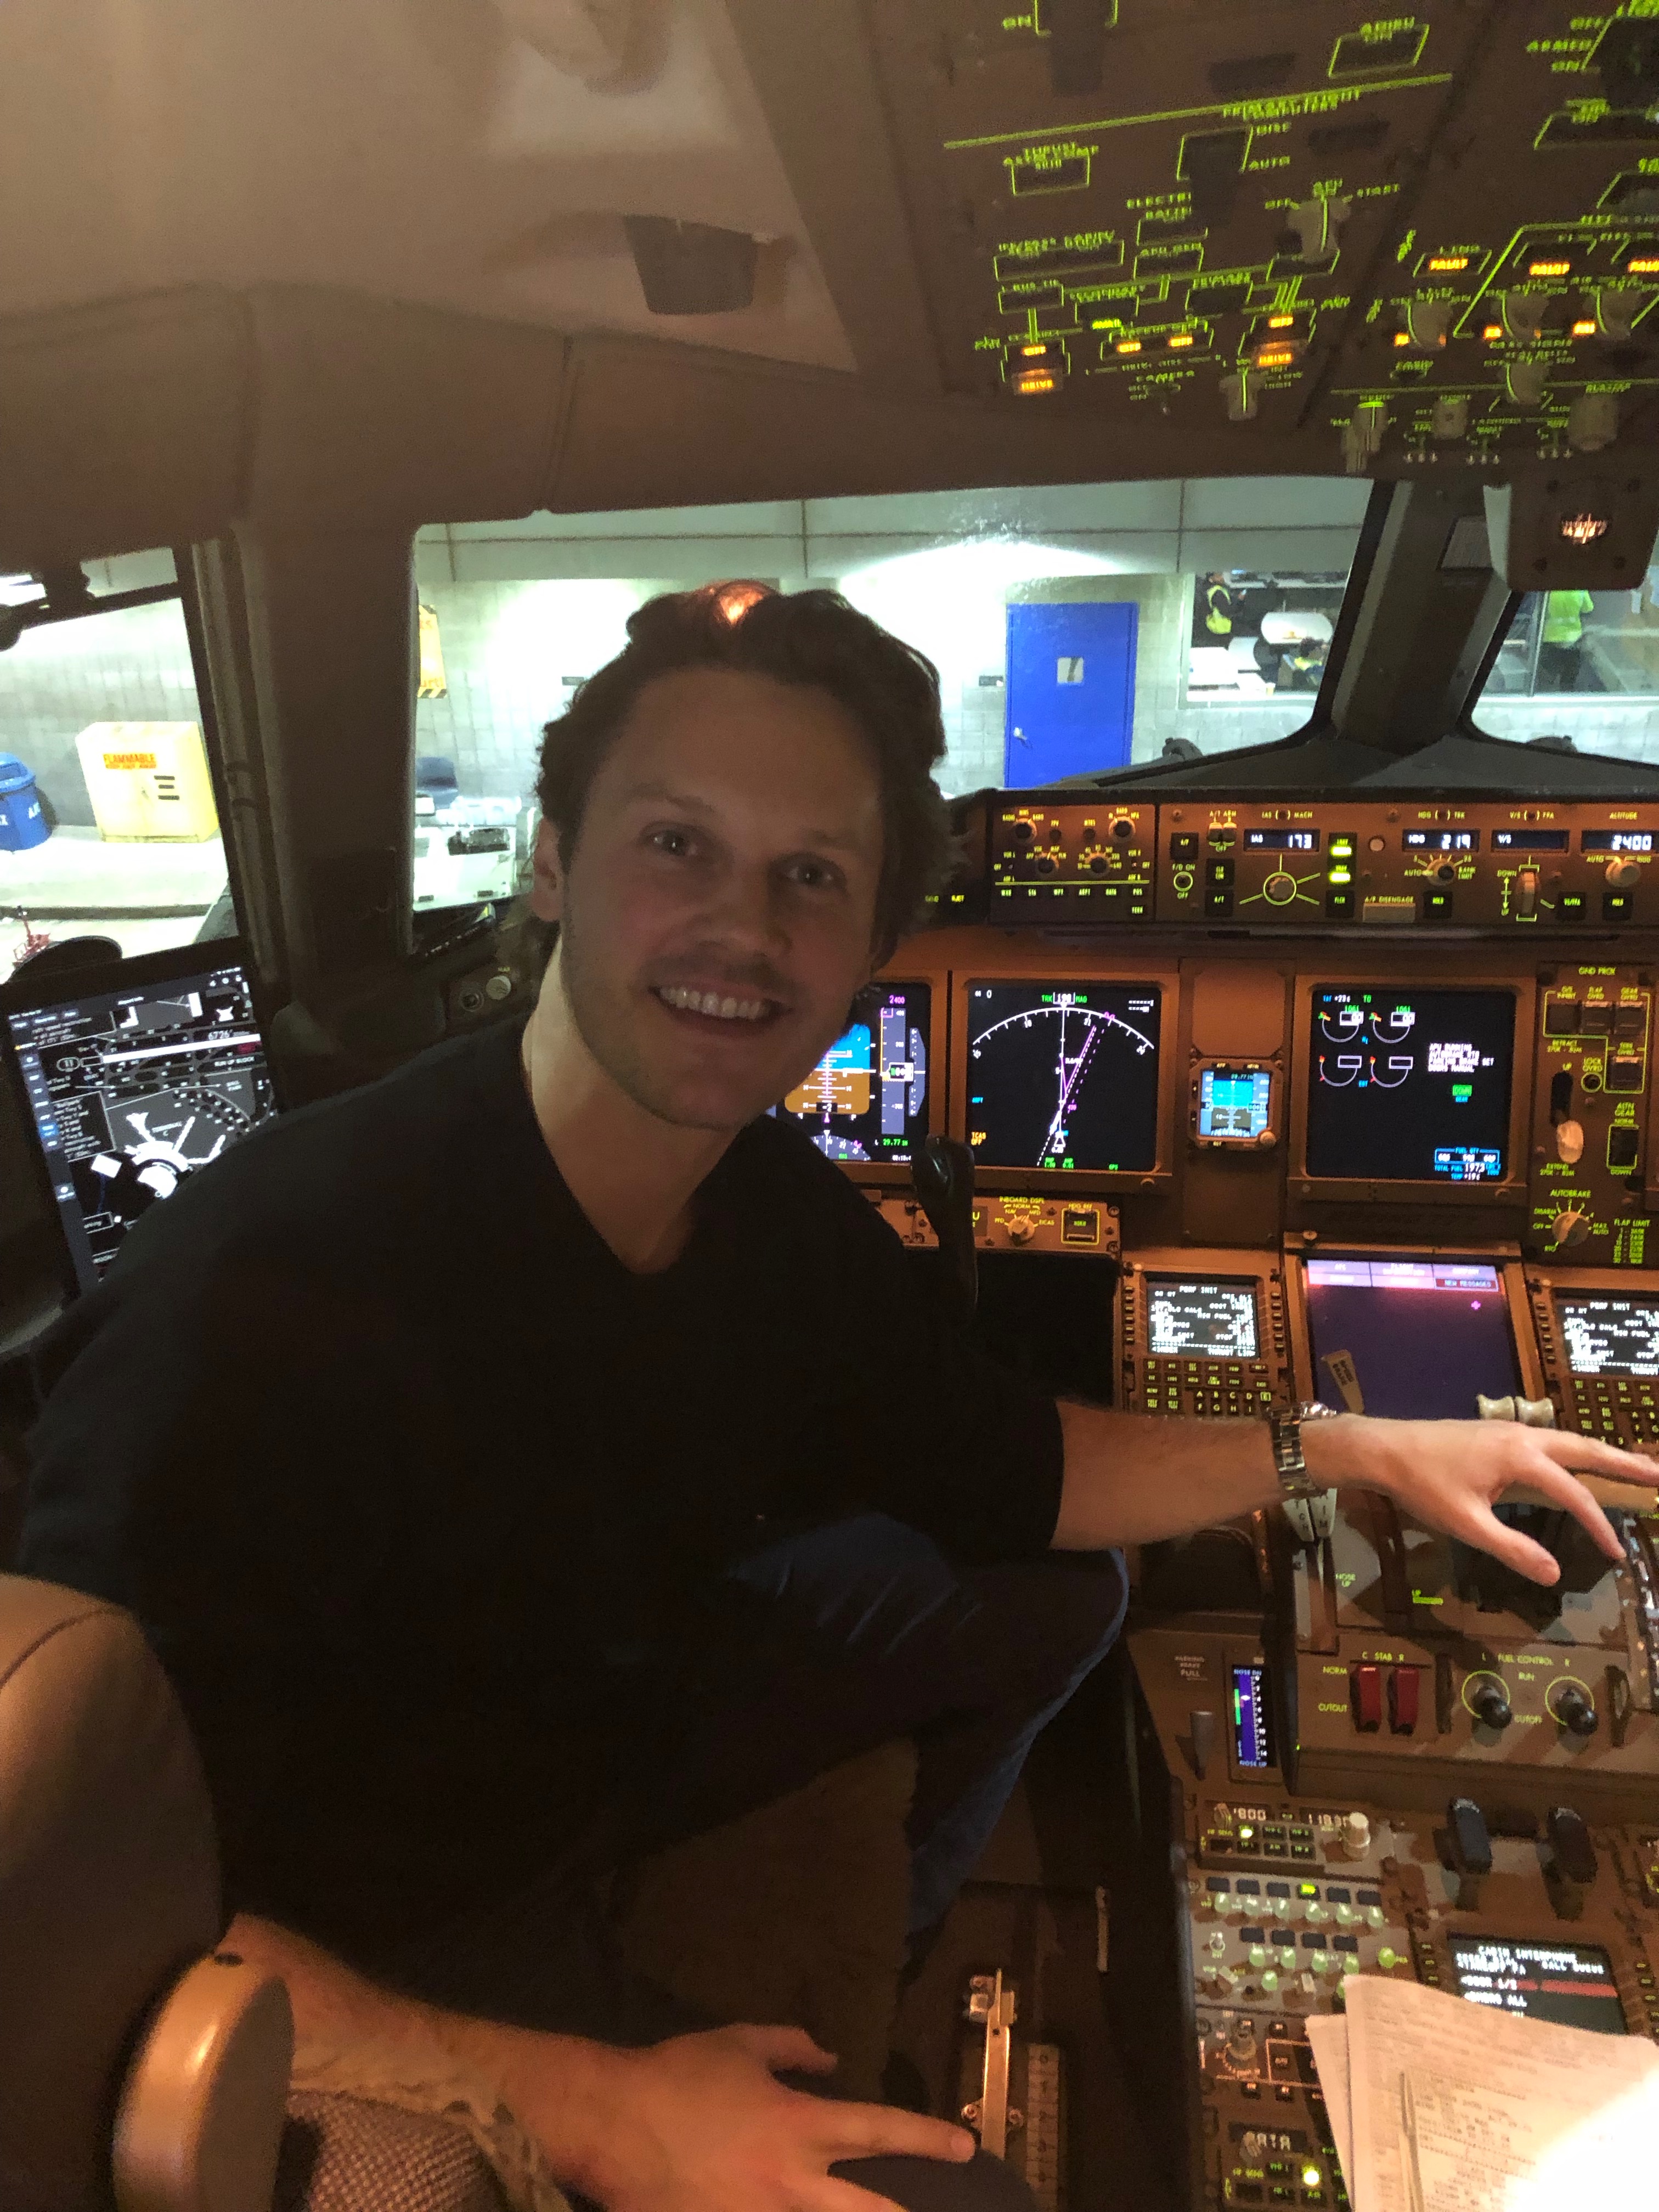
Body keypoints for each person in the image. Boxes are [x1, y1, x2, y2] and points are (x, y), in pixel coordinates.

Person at [19, 583, 1655, 2212]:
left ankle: (886, 1951)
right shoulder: (262, 1299)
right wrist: (608, 2112)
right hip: (376, 1929)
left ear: (874, 944)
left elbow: (1027, 1469)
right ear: (552, 863)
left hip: (584, 1720)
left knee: (1058, 1593)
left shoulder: (771, 1216)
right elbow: (86, 1900)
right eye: (678, 844)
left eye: (811, 876)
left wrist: (1342, 1447)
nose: (743, 930)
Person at [1538, 588, 1595, 691]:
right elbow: (1588, 608)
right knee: (1569, 678)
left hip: (1550, 638)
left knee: (1547, 676)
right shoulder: (1581, 590)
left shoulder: (1549, 590)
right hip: (1573, 640)